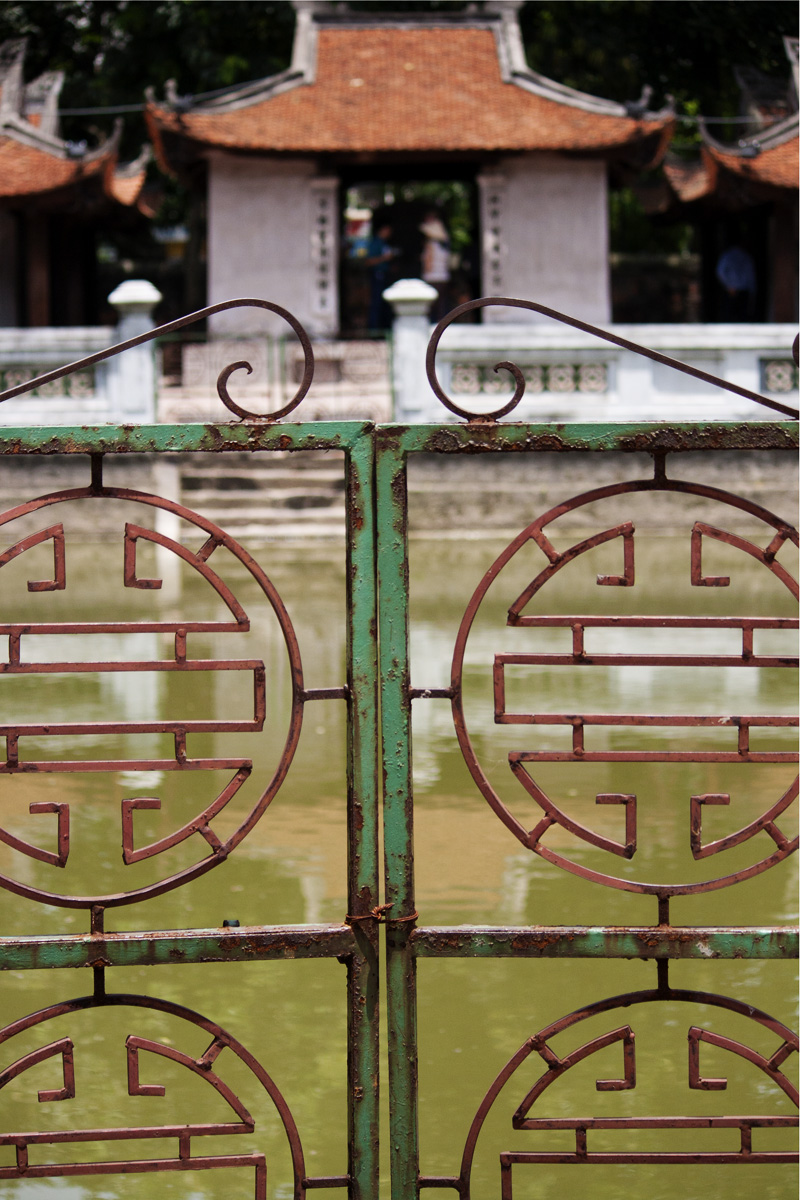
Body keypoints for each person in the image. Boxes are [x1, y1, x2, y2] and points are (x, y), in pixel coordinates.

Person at [365, 221, 397, 332]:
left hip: (385, 275)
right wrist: (384, 258)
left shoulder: (384, 243)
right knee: (376, 302)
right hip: (377, 276)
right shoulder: (375, 243)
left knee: (385, 303)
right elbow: (368, 261)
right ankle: (373, 330)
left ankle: (383, 328)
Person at [420, 212, 451, 322]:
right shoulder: (445, 245)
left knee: (432, 306)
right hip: (443, 276)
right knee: (441, 305)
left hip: (432, 277)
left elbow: (428, 263)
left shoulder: (430, 245)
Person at [716, 244, 756, 321]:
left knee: (735, 316)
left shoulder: (729, 255)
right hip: (738, 290)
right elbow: (750, 275)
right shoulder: (744, 256)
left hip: (737, 290)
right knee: (737, 316)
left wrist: (728, 285)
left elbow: (720, 272)